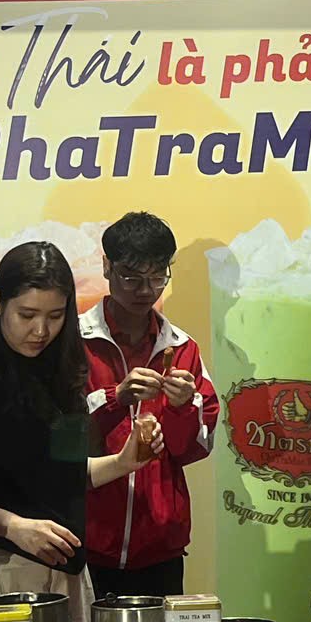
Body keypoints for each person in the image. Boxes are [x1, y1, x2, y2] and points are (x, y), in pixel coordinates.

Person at [0, 240, 164, 622]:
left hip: (66, 571)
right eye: (27, 315)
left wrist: (125, 462)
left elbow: (66, 473)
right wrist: (11, 525)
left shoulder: (64, 374)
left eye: (55, 316)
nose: (40, 331)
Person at [81, 211, 220, 600]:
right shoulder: (74, 342)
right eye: (131, 277)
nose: (145, 290)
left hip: (160, 547)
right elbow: (59, 439)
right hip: (86, 544)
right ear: (107, 267)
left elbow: (194, 449)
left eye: (157, 277)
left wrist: (181, 408)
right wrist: (115, 398)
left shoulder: (182, 347)